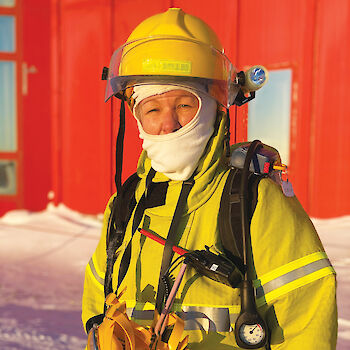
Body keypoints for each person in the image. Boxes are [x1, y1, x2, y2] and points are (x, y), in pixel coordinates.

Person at [82, 8, 337, 350]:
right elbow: (99, 310)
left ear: (216, 106)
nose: (168, 124)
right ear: (135, 115)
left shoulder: (254, 201)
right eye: (152, 109)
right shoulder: (125, 205)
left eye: (185, 105)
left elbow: (307, 325)